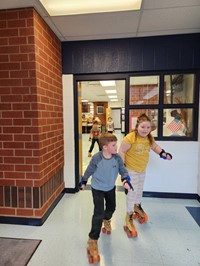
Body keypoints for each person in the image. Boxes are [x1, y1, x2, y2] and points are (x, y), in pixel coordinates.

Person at [79, 133, 132, 264]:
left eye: (116, 144)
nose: (116, 147)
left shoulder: (117, 158)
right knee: (98, 212)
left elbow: (123, 170)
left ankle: (106, 220)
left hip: (110, 188)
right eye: (113, 145)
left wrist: (125, 180)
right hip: (97, 188)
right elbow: (89, 170)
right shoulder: (97, 158)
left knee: (111, 208)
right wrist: (84, 181)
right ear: (105, 147)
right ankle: (92, 239)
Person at [119, 113, 172, 238]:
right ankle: (129, 214)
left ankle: (137, 206)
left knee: (139, 190)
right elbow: (121, 151)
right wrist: (123, 169)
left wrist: (163, 153)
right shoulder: (130, 137)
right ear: (137, 126)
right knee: (132, 191)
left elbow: (155, 147)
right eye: (143, 127)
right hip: (130, 169)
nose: (145, 130)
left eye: (148, 127)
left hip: (142, 169)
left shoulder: (149, 138)